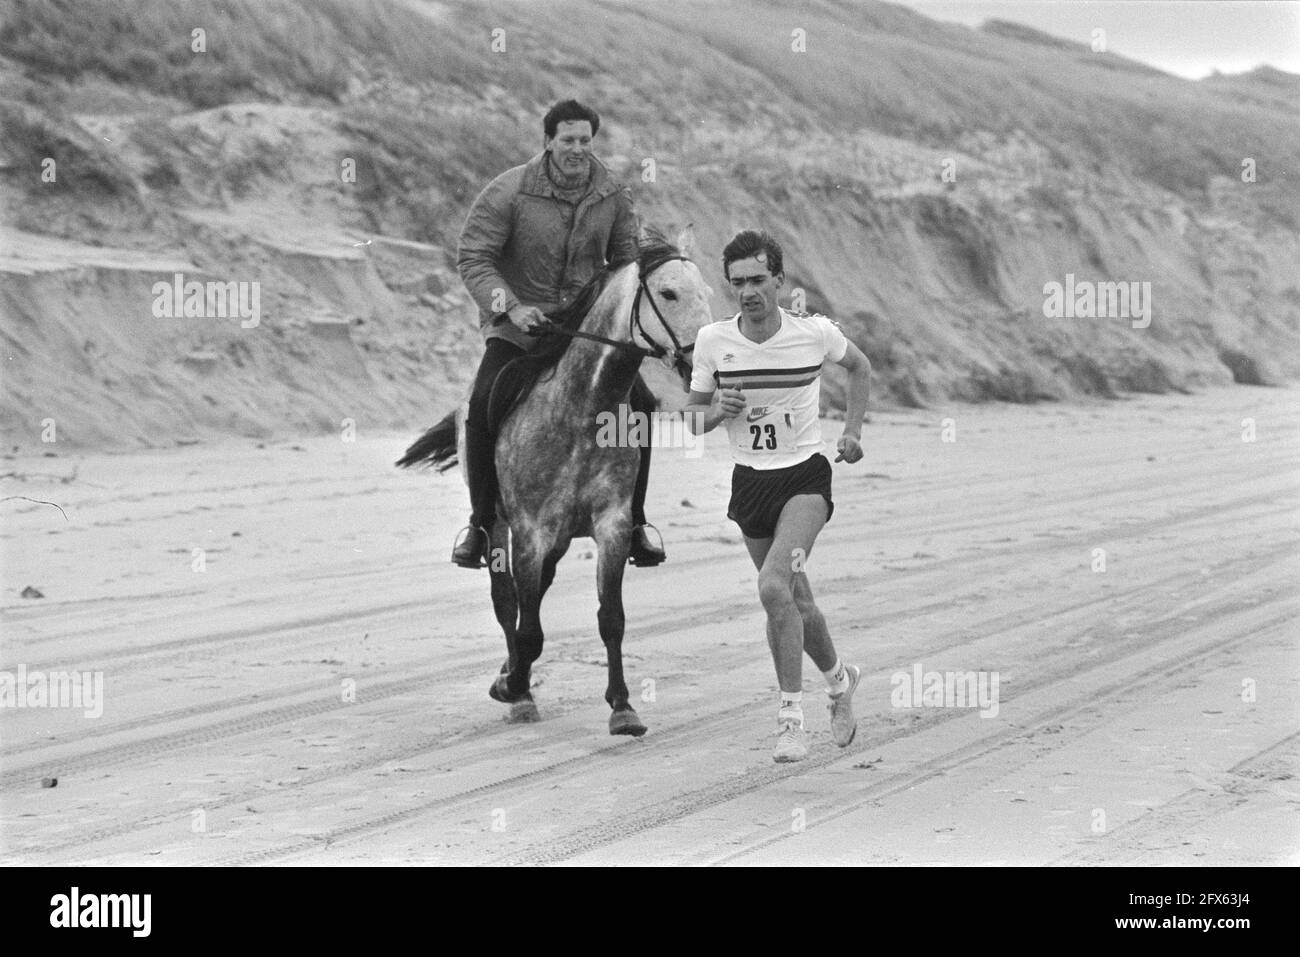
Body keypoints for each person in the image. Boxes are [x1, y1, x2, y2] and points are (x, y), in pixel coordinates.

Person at [685, 230, 872, 763]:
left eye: (758, 280)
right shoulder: (712, 341)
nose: (748, 291)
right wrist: (715, 412)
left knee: (772, 586)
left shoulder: (813, 333)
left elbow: (859, 367)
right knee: (796, 602)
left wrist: (852, 432)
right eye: (738, 282)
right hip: (750, 484)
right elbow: (691, 420)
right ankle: (840, 682)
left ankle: (791, 721)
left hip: (804, 480)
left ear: (779, 281)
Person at [453, 99, 665, 569]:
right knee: (484, 401)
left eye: (585, 141)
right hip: (519, 328)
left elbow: (627, 264)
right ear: (548, 141)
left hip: (585, 332)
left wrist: (615, 316)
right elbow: (474, 258)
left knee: (643, 405)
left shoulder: (613, 195)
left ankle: (635, 524)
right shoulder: (507, 191)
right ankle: (481, 524)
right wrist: (510, 306)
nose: (577, 149)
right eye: (568, 140)